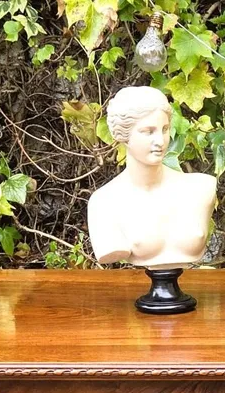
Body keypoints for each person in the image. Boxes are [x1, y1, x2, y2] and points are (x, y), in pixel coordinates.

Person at [87, 86, 217, 269]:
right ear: (123, 135)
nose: (160, 141)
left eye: (164, 129)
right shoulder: (104, 203)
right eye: (148, 132)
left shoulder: (202, 188)